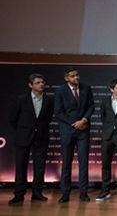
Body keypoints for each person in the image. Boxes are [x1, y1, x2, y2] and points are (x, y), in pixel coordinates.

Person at [8, 73, 54, 205]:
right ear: (30, 85)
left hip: (41, 136)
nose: (41, 85)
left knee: (40, 166)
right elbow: (13, 118)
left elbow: (48, 118)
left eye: (42, 82)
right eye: (38, 82)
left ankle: (37, 192)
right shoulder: (21, 99)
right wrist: (23, 129)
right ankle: (19, 194)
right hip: (23, 137)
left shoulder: (49, 100)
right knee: (21, 166)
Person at [54, 66, 95, 203]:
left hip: (83, 130)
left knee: (83, 162)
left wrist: (83, 120)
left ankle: (83, 192)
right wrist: (74, 123)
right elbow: (59, 112)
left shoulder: (86, 88)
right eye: (72, 76)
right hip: (68, 130)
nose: (76, 77)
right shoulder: (60, 91)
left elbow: (91, 107)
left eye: (77, 75)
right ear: (66, 78)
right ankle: (65, 193)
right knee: (66, 162)